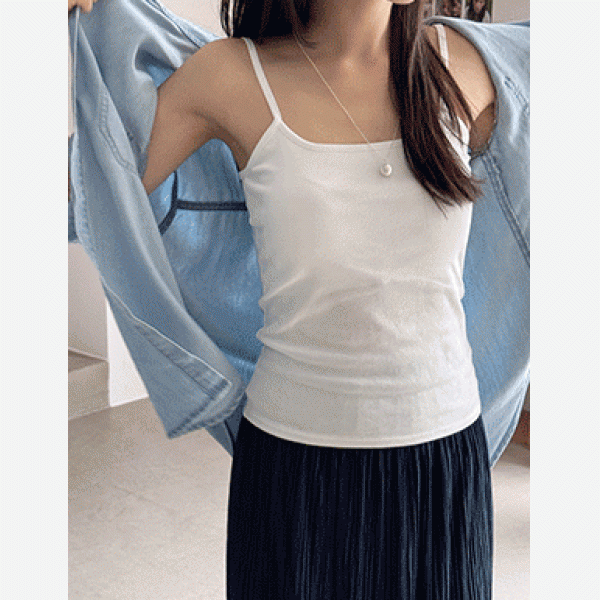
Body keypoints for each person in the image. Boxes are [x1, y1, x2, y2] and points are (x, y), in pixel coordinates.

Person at [69, 1, 521, 598]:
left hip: (442, 467)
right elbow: (91, 192)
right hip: (296, 469)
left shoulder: (465, 63)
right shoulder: (230, 76)